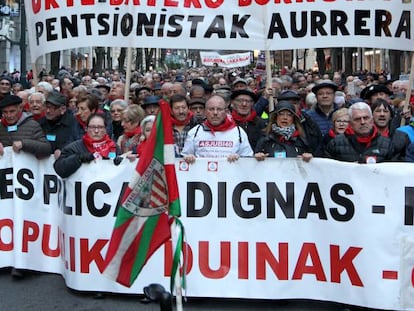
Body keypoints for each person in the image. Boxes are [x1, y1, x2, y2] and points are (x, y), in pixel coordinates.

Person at [182, 95, 253, 163]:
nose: (215, 113)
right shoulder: (194, 132)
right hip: (202, 175)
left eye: (219, 109)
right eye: (211, 109)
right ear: (205, 112)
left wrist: (239, 159)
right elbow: (183, 159)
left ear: (226, 111)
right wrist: (188, 158)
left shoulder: (238, 132)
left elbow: (248, 159)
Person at [53, 113, 121, 178]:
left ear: (105, 129)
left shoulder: (114, 147)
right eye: (92, 127)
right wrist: (79, 158)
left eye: (100, 127)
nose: (96, 131)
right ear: (86, 129)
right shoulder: (74, 147)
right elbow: (60, 169)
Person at [325, 102, 390, 163]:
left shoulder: (387, 144)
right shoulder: (335, 144)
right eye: (357, 119)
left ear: (372, 120)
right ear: (350, 123)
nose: (362, 122)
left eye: (366, 118)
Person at [0, 94, 52, 159]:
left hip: (26, 166)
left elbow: (46, 149)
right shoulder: (1, 126)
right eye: (5, 112)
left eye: (12, 111)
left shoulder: (32, 125)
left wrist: (24, 144)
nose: (9, 115)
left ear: (20, 108)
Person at [38, 92, 78, 159]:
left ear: (63, 109)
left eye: (52, 108)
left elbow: (76, 143)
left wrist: (63, 150)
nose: (48, 111)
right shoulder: (40, 123)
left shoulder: (73, 123)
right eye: (46, 107)